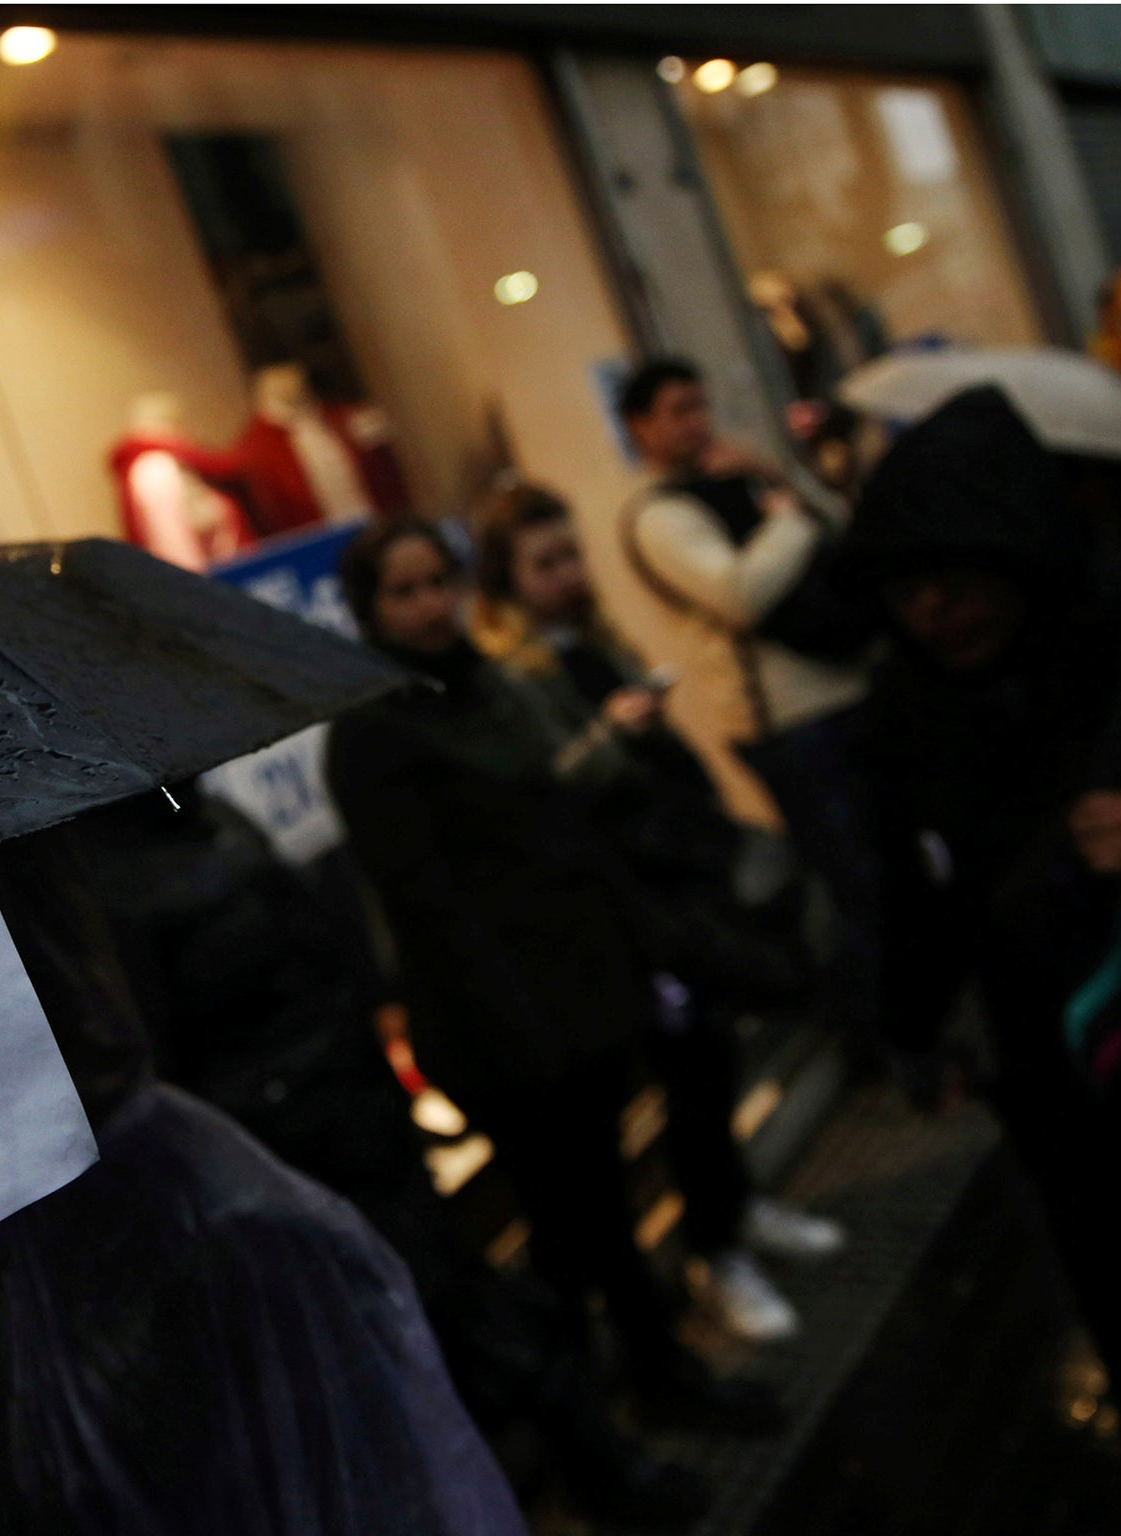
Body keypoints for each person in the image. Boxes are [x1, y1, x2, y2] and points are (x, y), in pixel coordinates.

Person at [77, 786, 714, 1529]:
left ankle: (587, 1470)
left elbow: (318, 951)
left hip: (361, 1118)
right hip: (286, 1160)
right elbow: (161, 1066)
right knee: (417, 1334)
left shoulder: (210, 817)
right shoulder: (105, 889)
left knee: (460, 1305)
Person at [324, 518, 784, 1431]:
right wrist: (524, 1032)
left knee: (604, 1212)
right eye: (404, 591)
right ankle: (602, 1420)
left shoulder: (491, 686)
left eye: (437, 583)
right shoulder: (373, 730)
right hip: (503, 1024)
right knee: (570, 1232)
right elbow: (433, 912)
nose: (429, 606)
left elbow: (565, 831)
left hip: (578, 993)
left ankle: (655, 1379)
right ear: (369, 610)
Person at [468, 480, 841, 1341]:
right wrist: (610, 736)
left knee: (712, 1060)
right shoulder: (514, 678)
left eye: (572, 555)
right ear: (507, 579)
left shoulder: (592, 643)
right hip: (624, 911)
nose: (569, 576)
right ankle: (715, 1248)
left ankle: (736, 1214)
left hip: (677, 882)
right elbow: (548, 793)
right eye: (547, 563)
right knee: (688, 1075)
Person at [844, 384, 1121, 1423]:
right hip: (1044, 1074)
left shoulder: (1110, 648)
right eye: (907, 591)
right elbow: (905, 887)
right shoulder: (902, 708)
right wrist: (911, 1027)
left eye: (955, 584)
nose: (935, 614)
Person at [610, 357, 882, 1042]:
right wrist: (786, 516)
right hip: (784, 718)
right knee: (854, 888)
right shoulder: (658, 516)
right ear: (640, 427)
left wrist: (773, 481)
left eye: (700, 406)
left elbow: (834, 531)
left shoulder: (730, 485)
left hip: (843, 685)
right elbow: (738, 594)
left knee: (887, 872)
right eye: (678, 412)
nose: (697, 424)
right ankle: (884, 1042)